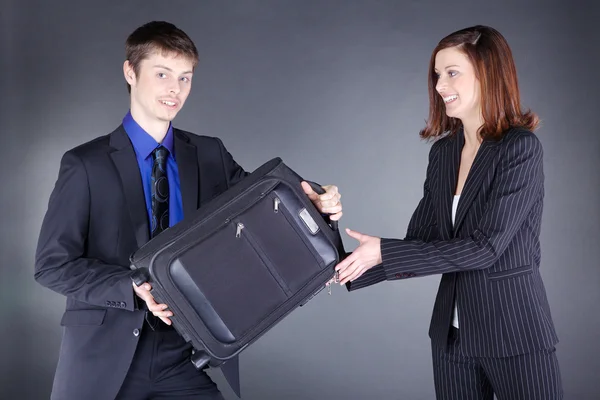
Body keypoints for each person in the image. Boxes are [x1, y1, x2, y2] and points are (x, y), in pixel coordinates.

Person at [34, 21, 343, 400]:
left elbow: (267, 207)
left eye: (185, 78)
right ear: (130, 72)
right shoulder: (85, 164)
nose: (174, 89)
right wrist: (132, 288)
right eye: (162, 74)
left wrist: (316, 199)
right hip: (106, 355)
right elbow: (52, 265)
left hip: (186, 354)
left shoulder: (210, 153)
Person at [334, 25, 562, 399]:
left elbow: (485, 248)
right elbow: (423, 242)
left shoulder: (520, 149)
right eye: (437, 75)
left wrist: (382, 251)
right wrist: (339, 267)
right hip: (451, 338)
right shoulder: (443, 154)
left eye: (452, 72)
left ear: (488, 73)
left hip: (514, 331)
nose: (439, 86)